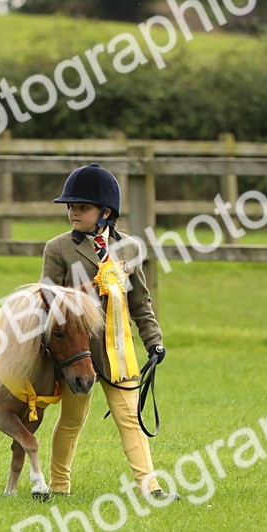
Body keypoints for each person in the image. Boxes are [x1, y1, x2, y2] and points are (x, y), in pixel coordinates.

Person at [40, 162, 176, 501]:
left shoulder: (129, 248)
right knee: (72, 421)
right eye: (70, 207)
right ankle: (59, 486)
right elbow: (45, 301)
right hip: (77, 353)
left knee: (130, 418)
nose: (73, 212)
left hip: (117, 348)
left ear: (106, 212)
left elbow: (139, 299)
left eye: (82, 207)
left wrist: (153, 340)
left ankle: (150, 487)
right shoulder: (58, 249)